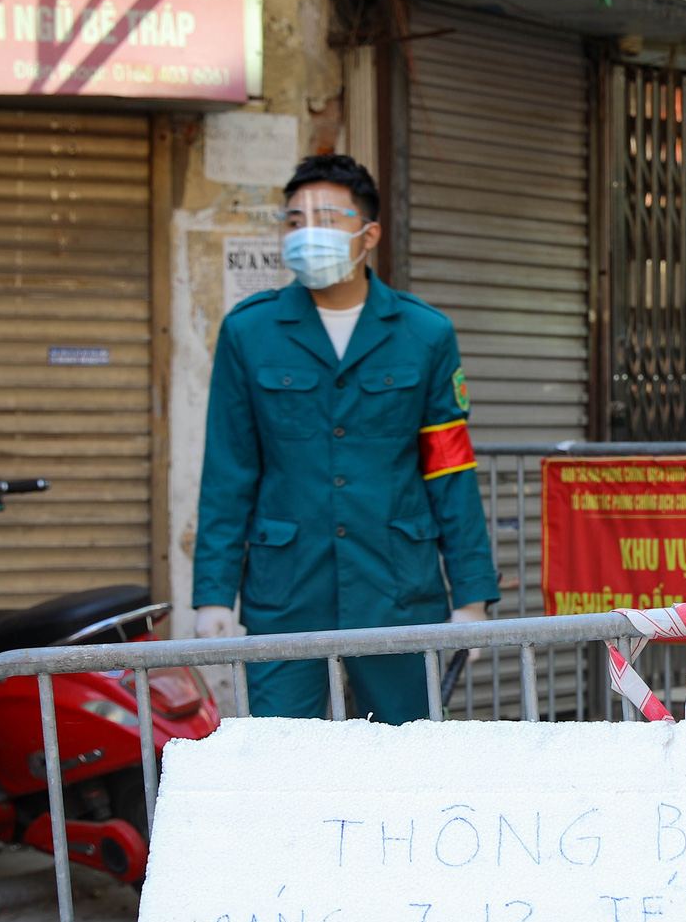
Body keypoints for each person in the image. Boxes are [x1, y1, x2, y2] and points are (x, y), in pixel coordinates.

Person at [192, 155, 497, 723]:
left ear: (368, 233)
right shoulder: (249, 331)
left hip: (398, 587)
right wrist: (213, 593)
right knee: (280, 752)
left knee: (407, 754)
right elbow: (229, 472)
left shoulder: (424, 333)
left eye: (326, 218)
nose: (307, 233)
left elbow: (449, 469)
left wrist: (472, 597)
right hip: (285, 590)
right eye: (294, 220)